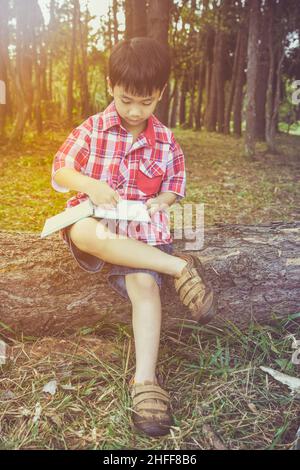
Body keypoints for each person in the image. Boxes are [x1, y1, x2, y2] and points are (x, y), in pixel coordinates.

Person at [51, 37, 217, 438]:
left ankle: (145, 381)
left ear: (160, 93)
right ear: (111, 84)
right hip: (100, 223)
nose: (135, 110)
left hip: (142, 228)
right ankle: (179, 267)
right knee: (83, 231)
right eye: (127, 100)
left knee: (146, 287)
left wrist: (162, 199)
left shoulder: (166, 140)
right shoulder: (92, 128)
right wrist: (90, 184)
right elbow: (60, 172)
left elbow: (176, 183)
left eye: (146, 101)